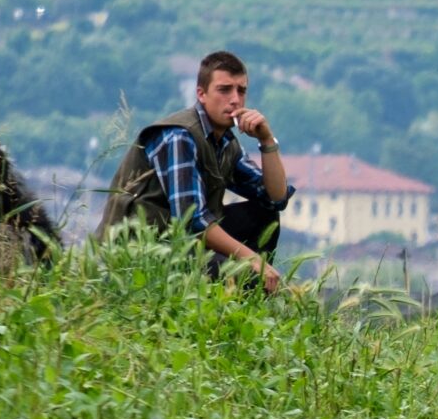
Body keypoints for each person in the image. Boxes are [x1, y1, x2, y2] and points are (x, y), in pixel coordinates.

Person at [96, 50, 293, 290]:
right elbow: (193, 221)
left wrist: (267, 141)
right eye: (224, 90)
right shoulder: (180, 136)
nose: (235, 99)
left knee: (264, 215)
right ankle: (240, 301)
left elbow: (275, 198)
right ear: (201, 94)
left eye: (241, 91)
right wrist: (251, 259)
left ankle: (248, 299)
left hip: (182, 243)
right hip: (142, 251)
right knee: (243, 272)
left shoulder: (226, 142)